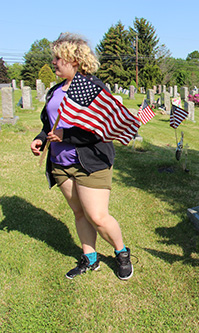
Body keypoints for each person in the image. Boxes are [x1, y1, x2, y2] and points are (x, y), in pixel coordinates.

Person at [30, 33, 133, 280]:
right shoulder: (55, 91)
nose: (53, 62)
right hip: (60, 164)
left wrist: (67, 136)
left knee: (97, 216)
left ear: (74, 60)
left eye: (58, 57)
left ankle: (122, 253)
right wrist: (41, 138)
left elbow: (101, 131)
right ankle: (90, 258)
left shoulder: (92, 88)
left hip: (90, 163)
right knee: (79, 213)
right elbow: (50, 124)